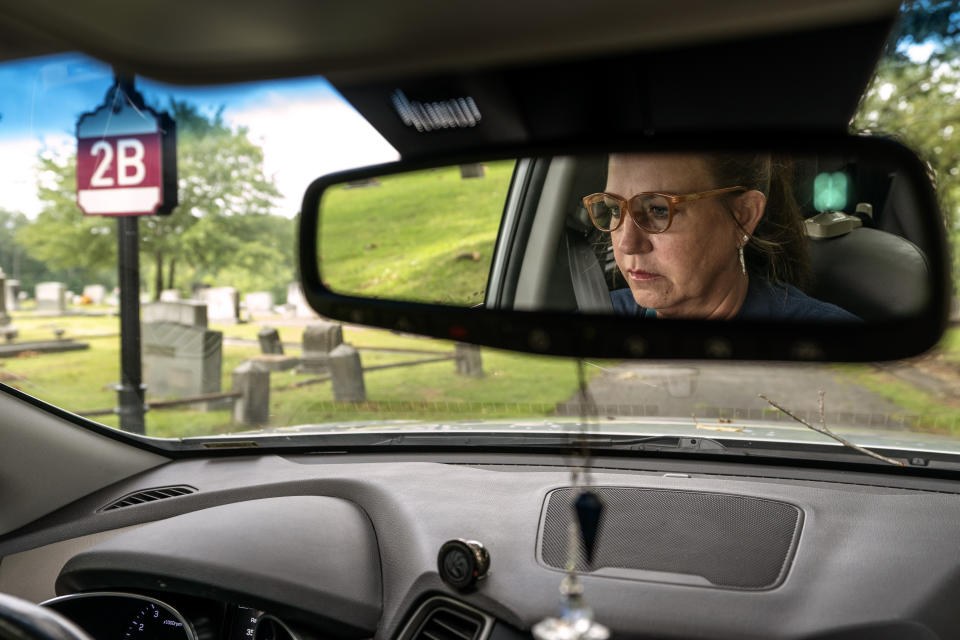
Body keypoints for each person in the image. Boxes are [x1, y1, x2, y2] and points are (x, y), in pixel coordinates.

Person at [583, 152, 859, 321]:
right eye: (614, 209)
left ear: (743, 216)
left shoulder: (835, 346)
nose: (626, 243)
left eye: (658, 210)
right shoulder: (600, 318)